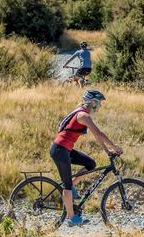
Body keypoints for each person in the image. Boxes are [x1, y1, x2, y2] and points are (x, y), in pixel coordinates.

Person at [51, 89, 122, 226]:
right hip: (60, 150)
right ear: (92, 102)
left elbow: (97, 136)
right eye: (99, 103)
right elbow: (99, 133)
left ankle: (72, 185)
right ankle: (71, 218)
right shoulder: (84, 115)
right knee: (66, 185)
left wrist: (108, 151)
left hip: (65, 149)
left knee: (91, 164)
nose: (100, 106)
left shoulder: (82, 113)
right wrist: (115, 146)